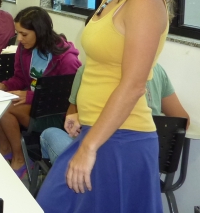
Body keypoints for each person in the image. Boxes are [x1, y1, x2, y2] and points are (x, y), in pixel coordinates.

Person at [26, 0, 172, 213]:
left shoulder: (145, 3)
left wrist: (89, 147)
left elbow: (134, 84)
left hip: (122, 139)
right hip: (99, 129)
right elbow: (100, 67)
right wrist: (80, 111)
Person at [0, 6, 80, 177]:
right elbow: (20, 79)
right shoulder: (24, 49)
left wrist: (30, 96)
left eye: (24, 34)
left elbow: (70, 98)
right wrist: (4, 86)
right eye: (18, 33)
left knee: (4, 108)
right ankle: (7, 149)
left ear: (39, 31)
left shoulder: (66, 60)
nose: (19, 39)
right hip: (34, 104)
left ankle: (20, 158)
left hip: (53, 113)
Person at [40, 63, 190, 164]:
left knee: (48, 134)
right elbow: (183, 120)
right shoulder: (155, 68)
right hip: (149, 162)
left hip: (99, 161)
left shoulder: (90, 69)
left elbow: (72, 119)